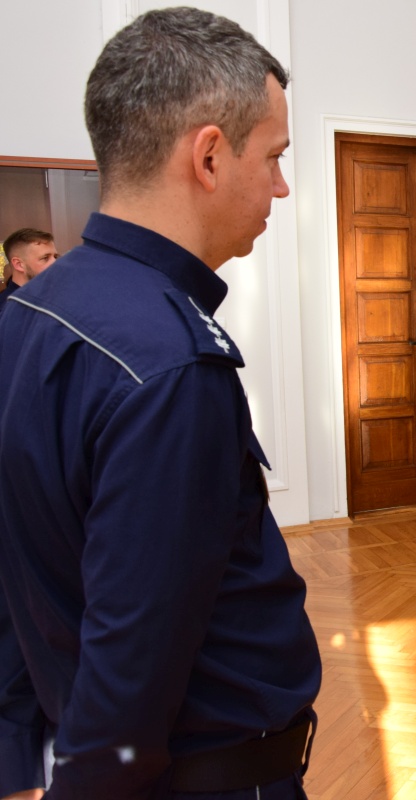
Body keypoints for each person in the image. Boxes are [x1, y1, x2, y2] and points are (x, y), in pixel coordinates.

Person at [0, 9, 321, 798]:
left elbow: (19, 570)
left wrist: (15, 754)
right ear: (208, 156)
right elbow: (130, 670)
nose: (282, 185)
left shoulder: (29, 312)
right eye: (274, 157)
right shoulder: (172, 364)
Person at [0, 228, 58, 305]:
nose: (56, 263)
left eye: (55, 257)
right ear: (19, 264)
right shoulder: (7, 308)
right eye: (45, 258)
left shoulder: (55, 295)